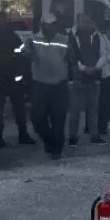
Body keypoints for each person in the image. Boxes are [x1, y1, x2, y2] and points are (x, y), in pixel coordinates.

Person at [0, 10, 35, 147]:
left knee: (20, 110)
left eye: (2, 19)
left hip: (15, 80)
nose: (0, 22)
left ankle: (23, 135)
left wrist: (22, 76)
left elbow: (23, 57)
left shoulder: (14, 37)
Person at [24, 14, 71, 160]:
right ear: (42, 25)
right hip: (40, 84)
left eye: (53, 24)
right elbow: (26, 58)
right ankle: (48, 140)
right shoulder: (32, 40)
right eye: (48, 25)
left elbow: (70, 59)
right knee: (37, 118)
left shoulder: (65, 39)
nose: (51, 27)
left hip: (59, 85)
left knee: (58, 118)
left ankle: (56, 149)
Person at [67, 14, 110, 147]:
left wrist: (96, 67)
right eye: (83, 21)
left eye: (88, 21)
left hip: (94, 77)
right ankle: (72, 137)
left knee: (93, 109)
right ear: (77, 22)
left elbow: (105, 53)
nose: (86, 24)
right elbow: (72, 55)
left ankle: (94, 136)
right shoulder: (71, 37)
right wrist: (85, 68)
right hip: (76, 78)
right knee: (74, 110)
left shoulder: (98, 36)